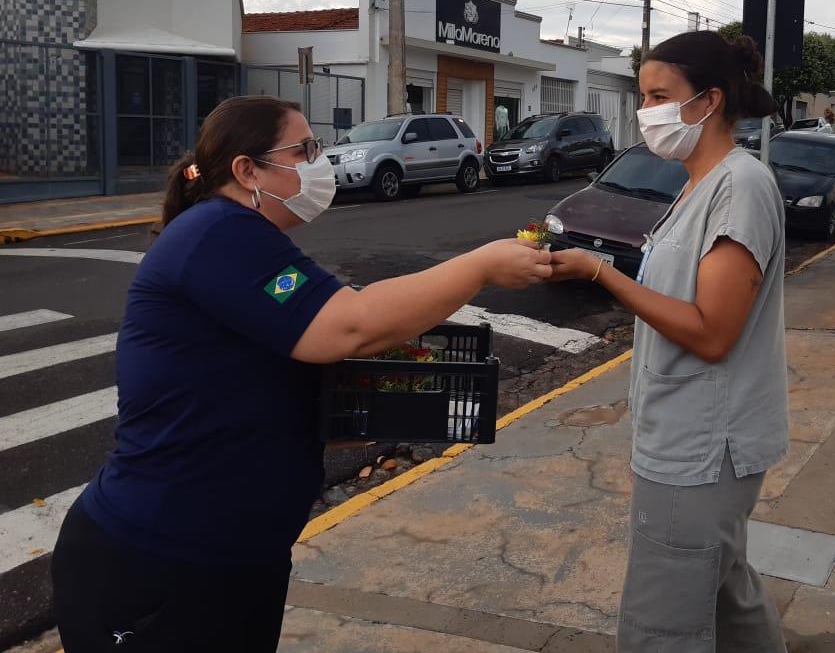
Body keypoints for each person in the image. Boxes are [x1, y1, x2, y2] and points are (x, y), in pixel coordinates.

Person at [51, 96, 552, 652]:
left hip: (230, 555)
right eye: (305, 149)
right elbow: (348, 326)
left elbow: (290, 359)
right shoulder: (219, 232)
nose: (321, 160)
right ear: (247, 170)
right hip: (166, 558)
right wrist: (479, 266)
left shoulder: (243, 236)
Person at [549, 30, 789, 652]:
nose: (645, 111)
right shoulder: (695, 184)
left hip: (703, 446)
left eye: (659, 96)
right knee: (726, 591)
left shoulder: (740, 186)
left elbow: (711, 333)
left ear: (708, 101)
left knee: (665, 620)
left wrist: (600, 272)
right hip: (683, 432)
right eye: (643, 96)